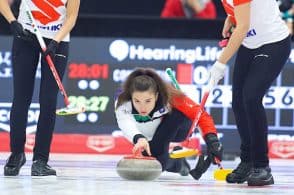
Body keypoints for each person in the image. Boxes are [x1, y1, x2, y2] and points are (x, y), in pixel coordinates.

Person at [207, 0, 291, 186]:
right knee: (238, 102)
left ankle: (262, 167)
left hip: (273, 43)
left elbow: (243, 26)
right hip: (249, 44)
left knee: (251, 98)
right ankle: (247, 161)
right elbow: (243, 12)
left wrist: (220, 63)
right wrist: (231, 16)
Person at [0, 0, 80, 176]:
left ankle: (40, 160)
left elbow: (72, 17)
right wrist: (13, 22)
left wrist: (55, 42)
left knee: (48, 101)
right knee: (21, 97)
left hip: (57, 40)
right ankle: (16, 154)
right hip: (26, 37)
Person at [115, 68, 223, 176]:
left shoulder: (172, 97)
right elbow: (125, 123)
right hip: (147, 135)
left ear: (156, 96)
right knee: (157, 164)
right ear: (131, 96)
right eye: (137, 101)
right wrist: (139, 138)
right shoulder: (122, 102)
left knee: (178, 114)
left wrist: (212, 140)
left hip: (177, 128)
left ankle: (168, 156)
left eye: (148, 101)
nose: (142, 107)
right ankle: (178, 164)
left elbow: (200, 115)